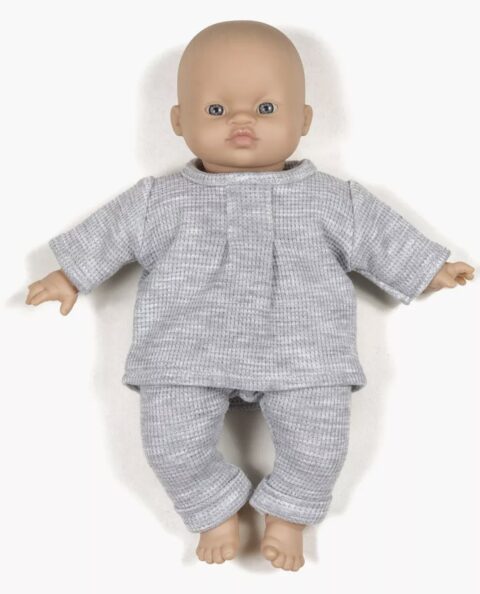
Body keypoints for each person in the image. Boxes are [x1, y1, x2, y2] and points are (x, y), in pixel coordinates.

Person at [25, 20, 475, 571]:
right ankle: (212, 506)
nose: (242, 122)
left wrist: (429, 268)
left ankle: (288, 513)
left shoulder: (332, 201)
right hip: (186, 353)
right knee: (169, 443)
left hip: (305, 354)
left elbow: (381, 237)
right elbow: (109, 233)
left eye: (265, 108)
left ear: (304, 119)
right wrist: (69, 274)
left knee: (320, 444)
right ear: (178, 121)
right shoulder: (159, 202)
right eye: (216, 110)